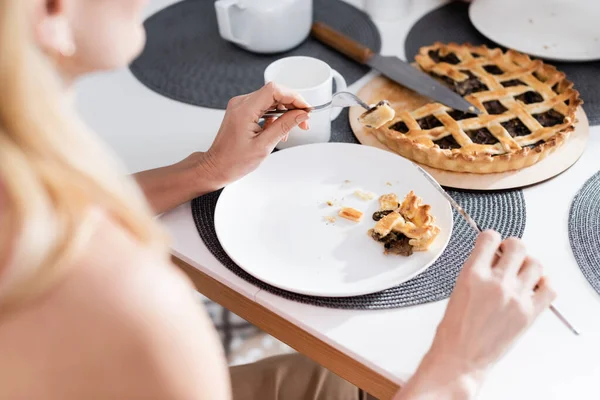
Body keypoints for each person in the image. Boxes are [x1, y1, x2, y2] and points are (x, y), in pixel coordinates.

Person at [0, 0, 556, 399]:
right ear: (51, 11)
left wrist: (206, 170)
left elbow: (64, 216)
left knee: (341, 374)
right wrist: (457, 368)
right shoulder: (140, 311)